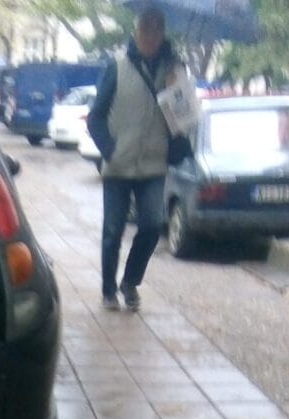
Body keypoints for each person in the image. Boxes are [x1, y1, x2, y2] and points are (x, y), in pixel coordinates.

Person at [86, 5, 184, 311]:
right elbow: (95, 118)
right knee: (112, 231)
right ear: (135, 32)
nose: (150, 35)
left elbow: (183, 120)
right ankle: (108, 290)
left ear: (163, 33)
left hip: (153, 164)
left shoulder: (174, 71)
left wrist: (177, 89)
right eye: (145, 28)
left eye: (156, 29)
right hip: (119, 164)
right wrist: (110, 150)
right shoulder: (117, 67)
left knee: (152, 226)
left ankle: (130, 282)